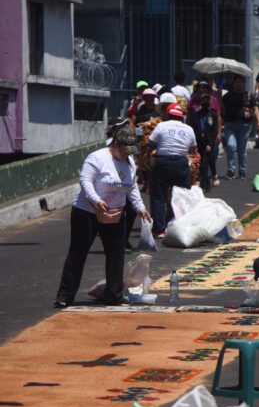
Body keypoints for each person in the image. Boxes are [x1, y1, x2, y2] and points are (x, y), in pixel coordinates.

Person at [54, 123, 150, 308]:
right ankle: (65, 294)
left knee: (115, 253)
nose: (126, 155)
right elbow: (85, 181)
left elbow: (131, 188)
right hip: (88, 211)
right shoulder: (97, 157)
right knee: (78, 252)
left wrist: (140, 207)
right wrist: (97, 200)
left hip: (115, 213)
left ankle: (113, 294)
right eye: (124, 150)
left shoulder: (129, 163)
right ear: (115, 143)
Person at [147, 104, 197, 237]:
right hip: (181, 163)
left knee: (159, 197)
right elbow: (193, 150)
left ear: (168, 115)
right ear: (181, 117)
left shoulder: (161, 126)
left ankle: (159, 229)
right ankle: (177, 226)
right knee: (179, 196)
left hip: (162, 162)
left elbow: (150, 144)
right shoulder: (189, 129)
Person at [221, 74, 259, 179]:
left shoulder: (249, 95)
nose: (239, 84)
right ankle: (231, 170)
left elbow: (256, 108)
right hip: (230, 125)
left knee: (242, 150)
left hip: (245, 126)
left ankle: (242, 171)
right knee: (231, 146)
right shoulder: (228, 96)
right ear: (233, 83)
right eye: (237, 82)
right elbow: (221, 108)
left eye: (241, 82)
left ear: (244, 83)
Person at [189, 79, 222, 187]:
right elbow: (190, 119)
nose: (202, 89)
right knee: (200, 160)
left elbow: (217, 120)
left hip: (209, 137)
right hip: (198, 137)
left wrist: (217, 134)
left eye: (204, 88)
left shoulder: (212, 105)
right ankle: (202, 180)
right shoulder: (194, 104)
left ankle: (213, 175)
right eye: (200, 87)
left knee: (211, 157)